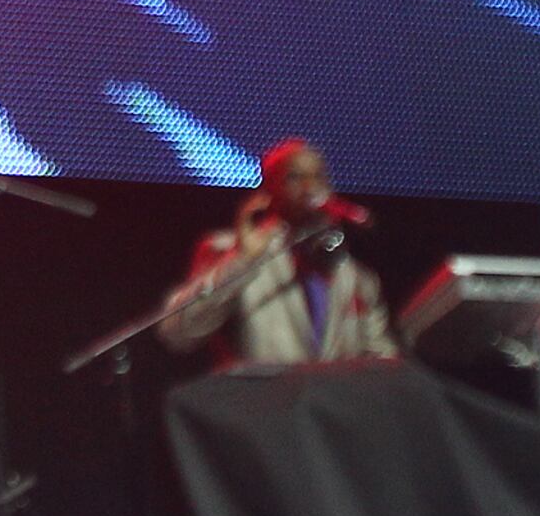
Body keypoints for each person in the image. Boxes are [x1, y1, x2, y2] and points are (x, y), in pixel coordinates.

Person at [162, 138, 397, 366]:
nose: (310, 187)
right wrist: (243, 261)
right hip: (262, 403)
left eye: (318, 176)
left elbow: (384, 360)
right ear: (269, 190)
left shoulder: (355, 276)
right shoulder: (227, 250)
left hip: (335, 405)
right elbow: (179, 330)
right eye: (295, 177)